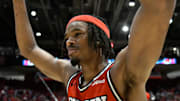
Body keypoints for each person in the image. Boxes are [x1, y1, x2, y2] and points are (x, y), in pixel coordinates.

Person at [12, 0, 176, 101]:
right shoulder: (69, 74)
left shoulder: (122, 72)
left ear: (98, 40)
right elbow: (29, 49)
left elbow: (160, 6)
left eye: (77, 34)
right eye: (67, 37)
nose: (69, 41)